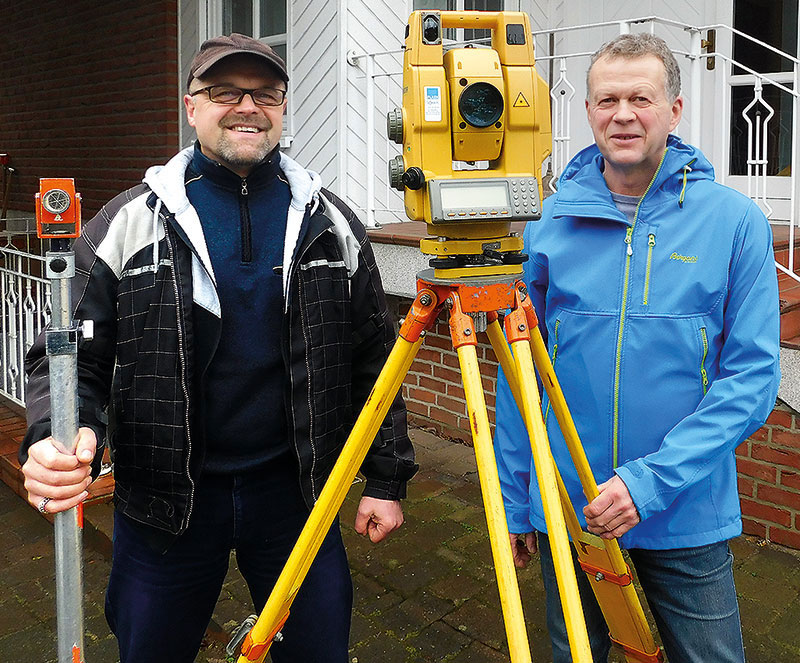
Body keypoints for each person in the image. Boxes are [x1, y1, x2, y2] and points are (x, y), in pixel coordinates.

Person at [19, 33, 417, 663]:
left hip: (296, 495)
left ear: (283, 108)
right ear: (191, 106)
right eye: (224, 92)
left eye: (265, 94)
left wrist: (387, 478)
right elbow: (68, 355)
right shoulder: (131, 221)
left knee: (317, 651)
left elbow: (374, 357)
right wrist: (54, 432)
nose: (247, 107)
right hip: (164, 500)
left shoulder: (329, 222)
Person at [494, 33, 780, 662]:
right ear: (589, 111)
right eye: (606, 100)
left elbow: (752, 380)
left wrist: (649, 483)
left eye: (640, 98)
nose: (622, 114)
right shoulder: (546, 224)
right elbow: (521, 376)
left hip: (686, 511)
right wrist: (518, 503)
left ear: (674, 110)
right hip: (574, 510)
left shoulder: (735, 222)